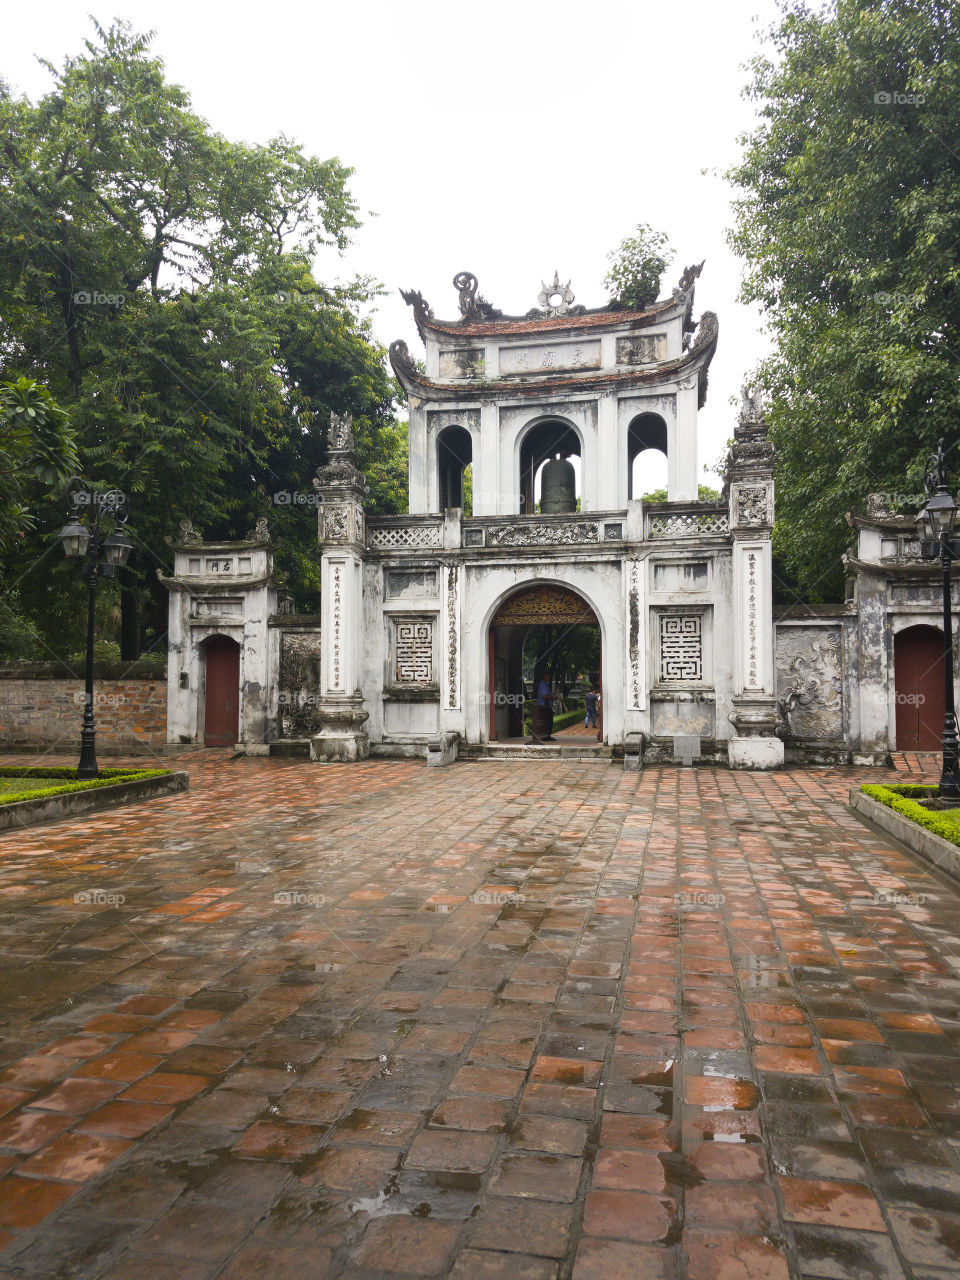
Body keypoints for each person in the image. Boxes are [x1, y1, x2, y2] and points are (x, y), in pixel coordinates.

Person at [536, 670, 554, 740]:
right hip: (544, 706)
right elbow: (544, 696)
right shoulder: (543, 684)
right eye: (549, 676)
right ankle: (545, 736)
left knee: (549, 722)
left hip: (546, 706)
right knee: (547, 722)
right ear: (545, 676)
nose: (549, 677)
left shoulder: (545, 684)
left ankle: (547, 736)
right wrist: (552, 697)